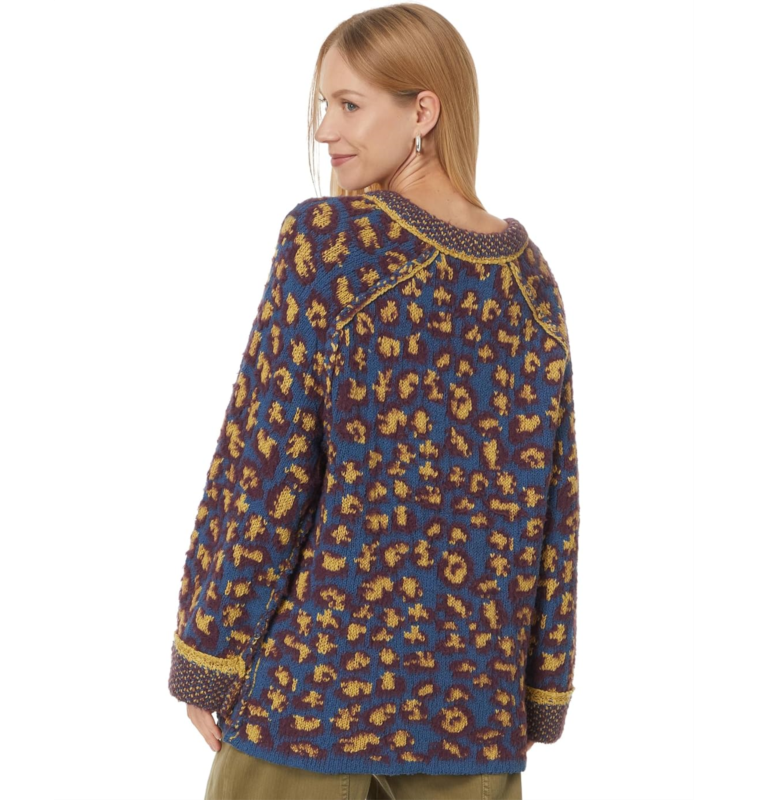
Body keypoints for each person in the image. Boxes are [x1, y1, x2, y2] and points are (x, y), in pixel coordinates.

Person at [168, 4, 579, 799]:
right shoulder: (531, 283)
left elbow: (265, 463)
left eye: (349, 105)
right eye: (324, 104)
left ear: (423, 112)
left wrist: (208, 654)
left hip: (312, 706)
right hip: (473, 719)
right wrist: (542, 685)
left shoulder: (331, 243)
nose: (325, 129)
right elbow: (554, 510)